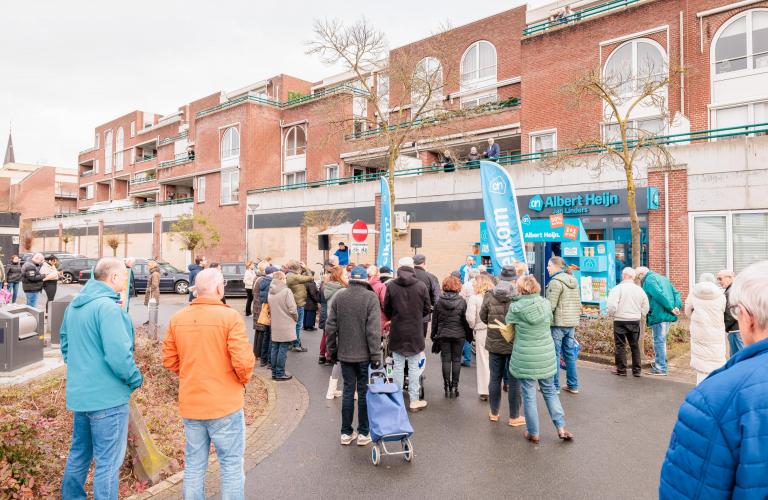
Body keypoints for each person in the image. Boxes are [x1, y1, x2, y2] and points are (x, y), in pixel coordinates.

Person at [659, 260, 768, 499]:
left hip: (700, 336)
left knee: (704, 367)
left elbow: (691, 487)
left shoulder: (712, 400)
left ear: (747, 318)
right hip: (716, 336)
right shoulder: (720, 297)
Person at [162, 268, 254, 499]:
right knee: (231, 465)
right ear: (218, 288)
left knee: (194, 464)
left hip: (191, 403)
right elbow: (243, 362)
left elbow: (169, 359)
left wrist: (190, 373)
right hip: (224, 404)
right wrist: (240, 380)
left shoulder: (178, 318)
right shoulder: (230, 317)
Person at [61, 258, 144, 499]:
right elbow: (119, 356)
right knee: (108, 463)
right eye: (124, 277)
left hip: (81, 395)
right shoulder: (108, 309)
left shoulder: (74, 305)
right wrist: (134, 379)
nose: (126, 281)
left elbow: (66, 345)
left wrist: (82, 368)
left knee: (79, 453)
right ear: (114, 278)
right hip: (108, 399)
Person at [506, 276, 573, 443]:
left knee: (529, 395)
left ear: (520, 290)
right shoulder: (545, 304)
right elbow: (549, 321)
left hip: (525, 356)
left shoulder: (515, 308)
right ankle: (561, 427)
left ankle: (533, 432)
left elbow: (508, 325)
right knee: (549, 391)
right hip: (545, 354)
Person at [325, 266, 382, 446]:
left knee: (348, 391)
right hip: (365, 355)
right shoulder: (370, 297)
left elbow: (330, 327)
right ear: (366, 279)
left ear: (350, 278)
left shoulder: (340, 296)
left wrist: (332, 351)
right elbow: (373, 330)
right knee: (364, 393)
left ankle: (346, 432)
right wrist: (376, 355)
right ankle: (363, 433)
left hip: (345, 353)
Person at [384, 256, 431, 411]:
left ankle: (397, 399)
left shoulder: (391, 285)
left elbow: (387, 308)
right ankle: (414, 400)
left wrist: (396, 317)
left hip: (397, 329)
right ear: (412, 267)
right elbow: (426, 308)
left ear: (398, 268)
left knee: (397, 365)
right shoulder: (421, 286)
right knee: (413, 366)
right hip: (415, 330)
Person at [480, 266, 524, 426]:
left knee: (494, 378)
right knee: (514, 381)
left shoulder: (489, 294)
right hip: (515, 342)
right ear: (514, 280)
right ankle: (514, 416)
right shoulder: (519, 296)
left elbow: (483, 317)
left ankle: (494, 413)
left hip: (494, 340)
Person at [636, 266, 682, 376]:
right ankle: (660, 365)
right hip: (665, 314)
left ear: (641, 274)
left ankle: (660, 368)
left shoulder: (649, 279)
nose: (640, 280)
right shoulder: (663, 278)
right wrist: (677, 306)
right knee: (661, 341)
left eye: (639, 277)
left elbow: (658, 295)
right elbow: (676, 293)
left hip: (658, 315)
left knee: (658, 342)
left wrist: (670, 308)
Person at [431, 275, 473, 398]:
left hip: (443, 334)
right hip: (459, 334)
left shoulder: (438, 301)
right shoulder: (461, 301)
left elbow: (435, 321)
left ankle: (446, 386)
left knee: (445, 359)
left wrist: (434, 334)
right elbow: (465, 320)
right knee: (456, 359)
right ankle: (455, 386)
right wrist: (469, 335)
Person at [545, 257, 581, 394]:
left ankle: (554, 386)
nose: (547, 268)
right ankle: (573, 385)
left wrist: (545, 323)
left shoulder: (555, 282)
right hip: (571, 322)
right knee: (569, 354)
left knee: (554, 354)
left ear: (557, 267)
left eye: (549, 265)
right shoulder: (573, 280)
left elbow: (550, 306)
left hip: (558, 323)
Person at [606, 267, 650, 377]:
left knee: (620, 345)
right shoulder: (639, 289)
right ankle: (637, 370)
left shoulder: (617, 289)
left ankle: (621, 370)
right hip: (635, 320)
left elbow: (611, 306)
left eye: (622, 274)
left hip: (620, 320)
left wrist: (612, 314)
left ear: (624, 276)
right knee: (634, 345)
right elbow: (646, 306)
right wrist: (640, 315)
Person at [685, 273, 727, 385]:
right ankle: (715, 385)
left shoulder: (693, 294)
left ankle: (701, 385)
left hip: (699, 330)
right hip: (716, 331)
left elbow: (687, 312)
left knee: (701, 356)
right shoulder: (721, 295)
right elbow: (723, 309)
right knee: (715, 356)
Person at [466, 275, 494, 400]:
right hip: (497, 331)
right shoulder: (495, 296)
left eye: (474, 282)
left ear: (480, 283)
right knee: (495, 360)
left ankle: (485, 391)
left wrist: (473, 326)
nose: (473, 284)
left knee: (483, 360)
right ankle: (495, 388)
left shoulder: (474, 298)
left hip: (482, 330)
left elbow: (470, 317)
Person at [267, 271, 297, 381]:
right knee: (283, 349)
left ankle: (274, 372)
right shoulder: (286, 291)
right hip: (286, 323)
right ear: (282, 279)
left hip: (275, 323)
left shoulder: (270, 291)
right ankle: (280, 372)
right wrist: (295, 318)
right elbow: (292, 308)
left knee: (275, 348)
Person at [323, 266, 347, 397]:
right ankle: (353, 391)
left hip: (333, 326)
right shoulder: (342, 291)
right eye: (345, 274)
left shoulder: (330, 288)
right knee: (347, 361)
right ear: (339, 275)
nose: (347, 275)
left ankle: (331, 390)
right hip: (341, 327)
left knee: (338, 360)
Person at [286, 260, 313, 352]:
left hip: (291, 303)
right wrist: (306, 267)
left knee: (291, 324)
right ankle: (296, 344)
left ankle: (290, 342)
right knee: (297, 325)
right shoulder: (296, 277)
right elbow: (310, 277)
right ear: (299, 270)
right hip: (298, 303)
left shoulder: (288, 275)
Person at [717, 270, 743, 357]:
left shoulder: (731, 292)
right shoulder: (736, 289)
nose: (718, 282)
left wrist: (724, 327)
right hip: (738, 329)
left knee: (741, 358)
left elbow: (730, 314)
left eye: (720, 279)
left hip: (736, 330)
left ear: (730, 278)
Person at [413, 254, 440, 339]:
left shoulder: (404, 276)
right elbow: (437, 298)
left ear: (413, 263)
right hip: (423, 315)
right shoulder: (431, 277)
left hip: (404, 315)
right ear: (424, 262)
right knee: (420, 342)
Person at [259, 265, 280, 367]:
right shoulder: (272, 283)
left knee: (266, 336)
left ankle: (263, 359)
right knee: (272, 337)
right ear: (272, 273)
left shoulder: (262, 281)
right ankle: (270, 362)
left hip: (265, 311)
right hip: (272, 312)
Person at [251, 261, 269, 366]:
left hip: (257, 305)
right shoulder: (262, 279)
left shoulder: (257, 277)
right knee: (261, 331)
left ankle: (256, 352)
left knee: (258, 331)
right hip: (260, 306)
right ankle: (260, 353)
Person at [367, 266, 389, 337]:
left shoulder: (364, 285)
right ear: (377, 273)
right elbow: (384, 304)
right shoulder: (381, 286)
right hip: (380, 318)